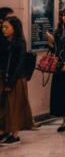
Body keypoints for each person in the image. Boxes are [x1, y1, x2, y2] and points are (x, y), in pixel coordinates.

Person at [0, 17, 33, 146]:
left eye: (6, 27)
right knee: (5, 107)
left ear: (15, 28)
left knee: (14, 107)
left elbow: (19, 64)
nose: (4, 30)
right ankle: (5, 131)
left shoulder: (20, 43)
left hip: (16, 79)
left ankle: (15, 134)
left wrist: (11, 82)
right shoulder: (4, 42)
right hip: (4, 78)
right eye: (3, 27)